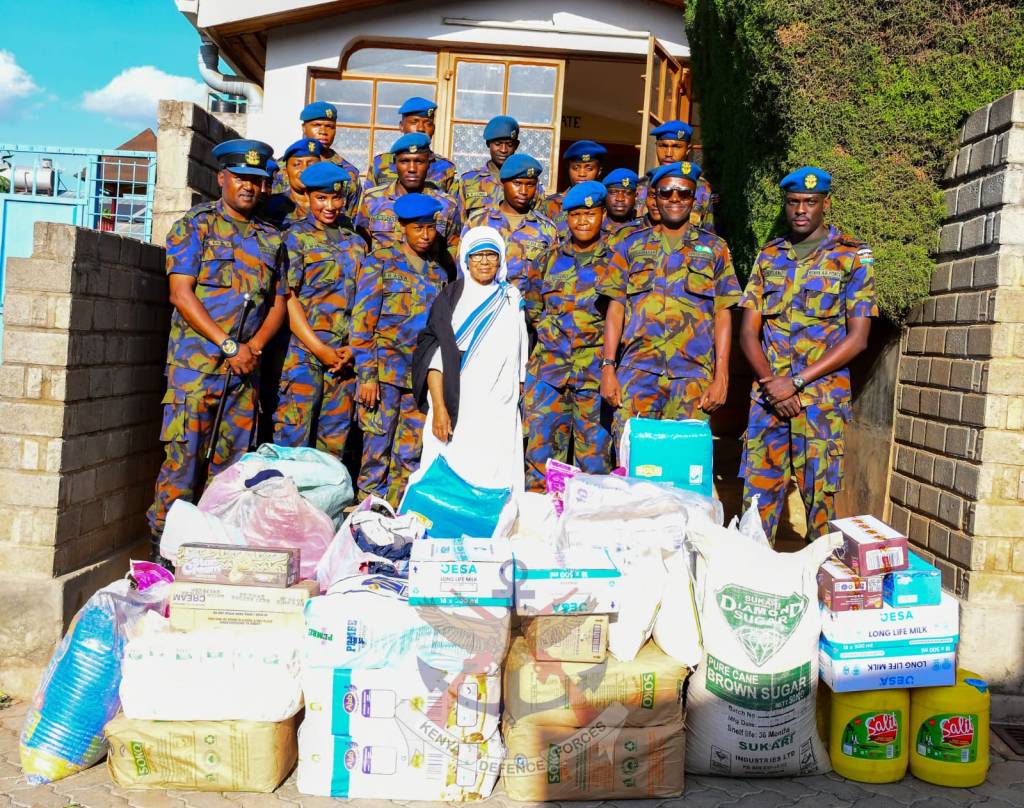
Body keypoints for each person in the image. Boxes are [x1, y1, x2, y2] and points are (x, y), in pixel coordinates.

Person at [146, 138, 288, 556]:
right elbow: (180, 293)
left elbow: (278, 303)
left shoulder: (271, 238)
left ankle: (215, 553)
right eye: (241, 178)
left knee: (231, 472)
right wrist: (228, 345)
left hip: (243, 373)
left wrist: (253, 348)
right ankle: (162, 553)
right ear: (222, 178)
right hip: (196, 370)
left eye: (256, 180)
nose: (249, 187)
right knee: (182, 463)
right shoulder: (196, 226)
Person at [739, 167, 877, 541]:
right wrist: (772, 384)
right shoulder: (769, 256)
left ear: (825, 204)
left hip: (820, 405)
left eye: (810, 202)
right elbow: (748, 333)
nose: (801, 209)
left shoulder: (851, 256)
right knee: (756, 504)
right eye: (794, 201)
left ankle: (820, 574)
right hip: (768, 401)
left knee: (820, 505)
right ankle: (752, 571)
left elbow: (858, 338)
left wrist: (796, 382)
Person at [599, 161, 740, 442]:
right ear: (654, 196)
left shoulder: (715, 248)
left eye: (684, 193)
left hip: (693, 377)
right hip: (637, 375)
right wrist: (608, 367)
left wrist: (721, 376)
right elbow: (615, 308)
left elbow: (723, 312)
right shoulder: (630, 245)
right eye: (666, 193)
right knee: (634, 462)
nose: (675, 199)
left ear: (694, 198)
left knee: (685, 463)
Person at [412, 227, 529, 492]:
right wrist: (439, 408)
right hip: (459, 400)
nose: (484, 261)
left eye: (491, 255)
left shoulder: (511, 297)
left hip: (499, 405)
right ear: (466, 259)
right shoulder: (451, 298)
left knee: (494, 470)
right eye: (477, 255)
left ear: (500, 259)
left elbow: (520, 348)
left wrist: (519, 385)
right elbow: (435, 358)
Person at [351, 193, 450, 504]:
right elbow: (362, 323)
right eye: (418, 228)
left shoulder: (438, 271)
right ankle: (368, 511)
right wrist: (367, 375)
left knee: (410, 451)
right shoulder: (380, 262)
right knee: (376, 448)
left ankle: (398, 512)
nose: (425, 235)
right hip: (383, 376)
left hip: (419, 378)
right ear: (403, 228)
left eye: (430, 228)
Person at [522, 181, 614, 491]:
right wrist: (550, 334)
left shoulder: (617, 261)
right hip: (549, 374)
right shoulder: (547, 260)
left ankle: (589, 518)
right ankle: (540, 517)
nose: (583, 221)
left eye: (590, 214)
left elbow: (623, 314)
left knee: (595, 463)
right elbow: (533, 307)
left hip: (595, 376)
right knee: (541, 459)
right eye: (575, 215)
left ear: (603, 214)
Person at [273, 162, 364, 455]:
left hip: (343, 357)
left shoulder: (356, 243)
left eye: (336, 198)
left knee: (332, 450)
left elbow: (363, 302)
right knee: (293, 442)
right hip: (303, 353)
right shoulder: (294, 237)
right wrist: (318, 348)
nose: (330, 206)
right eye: (321, 198)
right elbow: (288, 298)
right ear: (309, 197)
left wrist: (353, 348)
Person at [355, 132, 461, 268]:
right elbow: (362, 245)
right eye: (404, 161)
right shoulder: (372, 200)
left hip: (427, 279)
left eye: (419, 161)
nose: (412, 169)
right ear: (395, 164)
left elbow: (452, 251)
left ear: (428, 164)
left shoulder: (447, 205)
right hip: (382, 278)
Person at [462, 153, 557, 295]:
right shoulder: (478, 221)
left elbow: (551, 279)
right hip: (483, 303)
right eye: (517, 183)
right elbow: (462, 269)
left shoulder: (547, 229)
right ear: (502, 183)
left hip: (526, 306)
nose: (523, 191)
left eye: (530, 185)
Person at [453, 115, 544, 218]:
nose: (503, 150)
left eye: (509, 145)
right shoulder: (469, 181)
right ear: (488, 143)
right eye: (498, 144)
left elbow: (539, 221)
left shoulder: (529, 183)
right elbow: (460, 222)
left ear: (516, 145)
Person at [635, 121, 715, 231]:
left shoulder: (703, 188)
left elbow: (709, 230)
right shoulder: (641, 185)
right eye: (663, 146)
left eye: (676, 146)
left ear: (688, 150)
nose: (668, 153)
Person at [367, 97, 457, 192]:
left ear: (433, 129)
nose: (421, 128)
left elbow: (451, 200)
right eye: (414, 122)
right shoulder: (380, 163)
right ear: (401, 126)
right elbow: (369, 198)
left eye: (427, 123)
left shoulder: (445, 167)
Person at [543, 140, 606, 236]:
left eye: (589, 168)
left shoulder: (607, 203)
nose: (582, 174)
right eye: (576, 168)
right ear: (568, 168)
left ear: (599, 171)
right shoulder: (551, 204)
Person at [261, 138, 322, 230]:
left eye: (311, 165)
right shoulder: (271, 205)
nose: (304, 170)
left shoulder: (331, 205)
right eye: (297, 164)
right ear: (286, 171)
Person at [602, 168, 643, 240]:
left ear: (635, 196)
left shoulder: (644, 230)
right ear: (605, 195)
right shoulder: (592, 228)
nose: (620, 198)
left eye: (627, 193)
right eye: (613, 192)